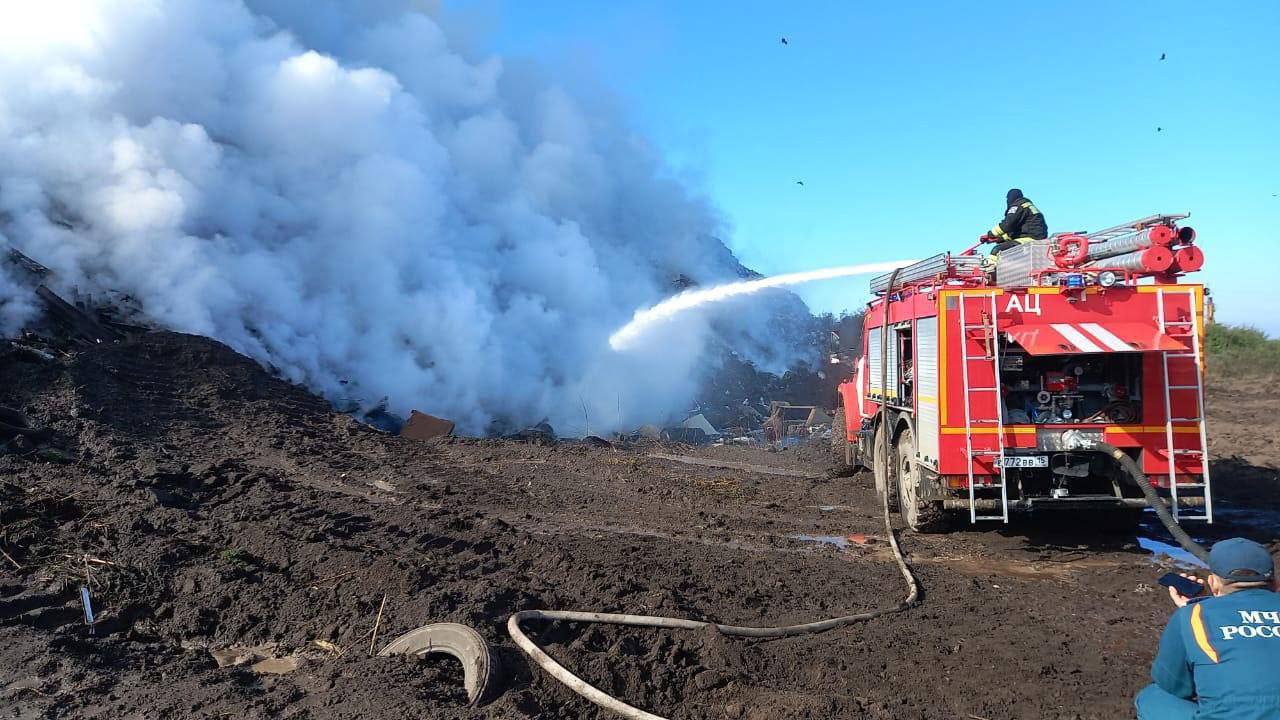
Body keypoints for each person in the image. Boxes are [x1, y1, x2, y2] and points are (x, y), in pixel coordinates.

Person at [1135, 538, 1280, 720]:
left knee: (1152, 697)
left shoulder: (1194, 615)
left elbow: (1173, 685)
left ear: (1213, 583)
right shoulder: (1196, 613)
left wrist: (1196, 608)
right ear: (1276, 584)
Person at [982, 188, 1047, 263]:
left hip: (1030, 239)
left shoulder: (1018, 206)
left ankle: (989, 271)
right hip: (1035, 239)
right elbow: (1016, 231)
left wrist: (989, 234)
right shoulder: (1027, 206)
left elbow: (1007, 225)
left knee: (996, 250)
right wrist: (999, 239)